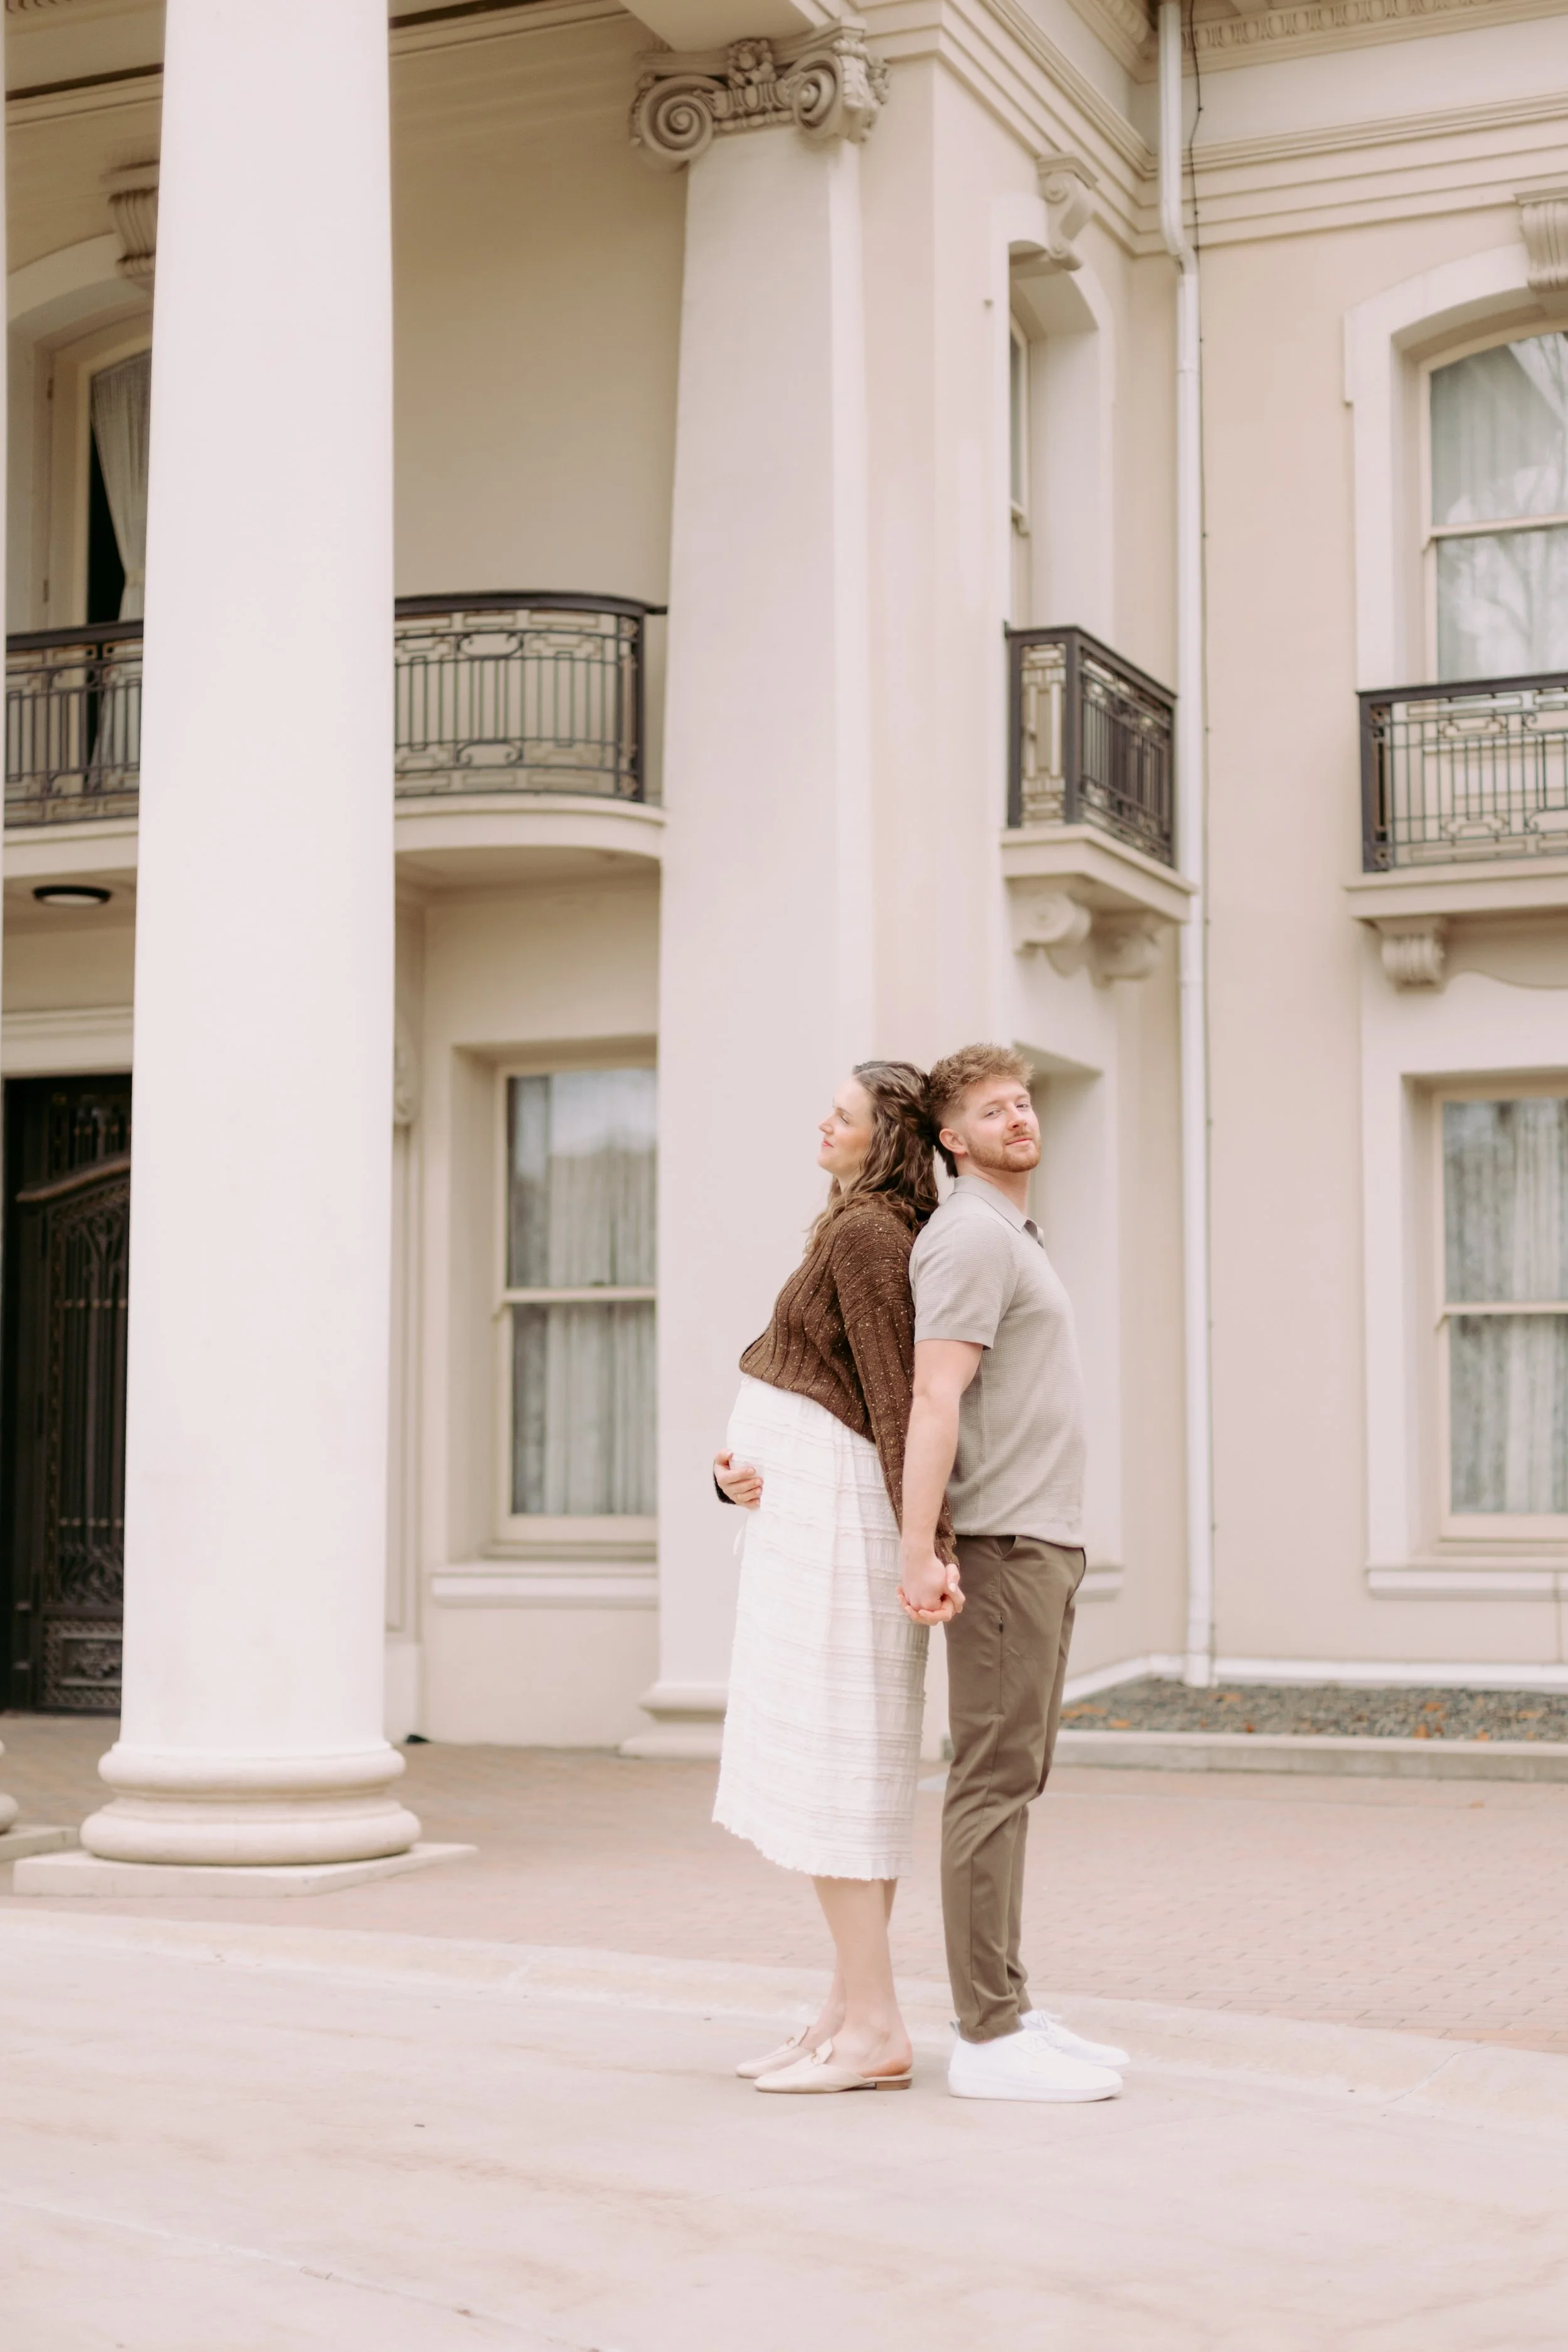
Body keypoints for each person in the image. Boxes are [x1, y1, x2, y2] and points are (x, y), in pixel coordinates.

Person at [711, 1062, 956, 2095]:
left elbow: (899, 1399)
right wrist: (738, 1476)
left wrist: (919, 1545)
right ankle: (846, 2009)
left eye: (844, 1114)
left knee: (834, 1769)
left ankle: (877, 2025)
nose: (825, 1121)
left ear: (886, 1137)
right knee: (839, 1767)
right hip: (804, 1512)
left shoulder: (867, 1235)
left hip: (843, 1531)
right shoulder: (852, 1223)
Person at [899, 1043, 1129, 2102]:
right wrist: (921, 1549)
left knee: (1015, 1777)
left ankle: (1010, 2002)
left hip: (1044, 1539)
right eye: (993, 1110)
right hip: (1001, 1543)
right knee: (991, 1780)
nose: (1020, 1117)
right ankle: (986, 2037)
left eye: (1025, 1101)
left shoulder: (1011, 1234)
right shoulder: (969, 1237)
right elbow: (934, 1398)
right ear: (953, 1138)